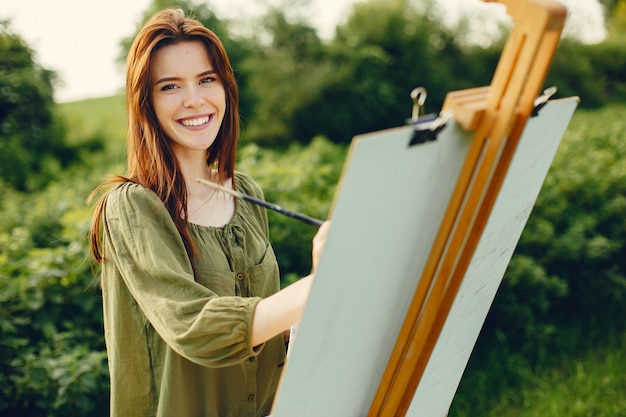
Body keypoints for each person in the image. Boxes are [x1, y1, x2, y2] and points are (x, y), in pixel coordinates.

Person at [88, 7, 330, 417]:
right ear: (144, 102)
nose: (194, 99)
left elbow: (264, 324)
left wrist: (297, 328)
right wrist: (322, 287)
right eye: (170, 87)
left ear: (225, 88)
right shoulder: (132, 207)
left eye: (206, 79)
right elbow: (193, 327)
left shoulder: (246, 193)